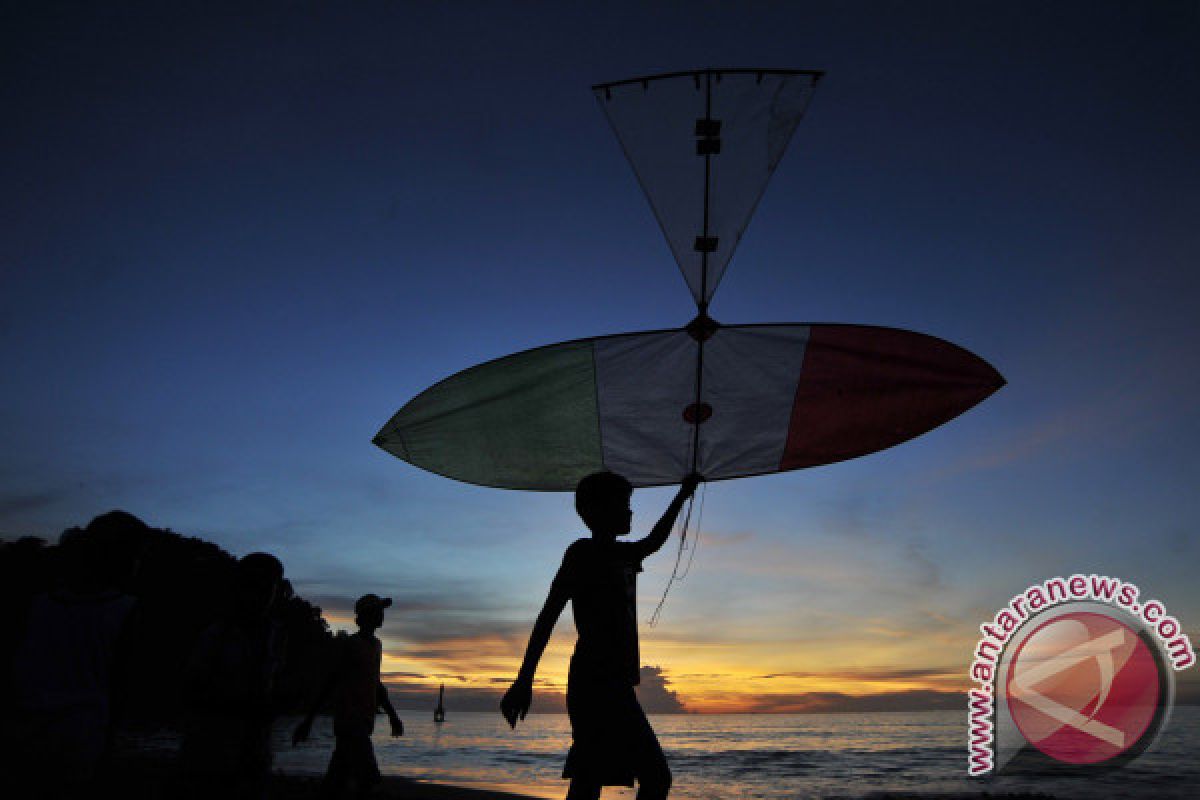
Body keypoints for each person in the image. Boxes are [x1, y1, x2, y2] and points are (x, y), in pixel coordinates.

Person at [501, 471, 701, 800]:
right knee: (646, 777)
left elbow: (654, 541)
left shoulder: (623, 554)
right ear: (597, 510)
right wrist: (524, 680)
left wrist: (682, 495)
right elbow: (547, 616)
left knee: (592, 780)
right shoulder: (581, 554)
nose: (630, 511)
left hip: (615, 683)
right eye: (623, 504)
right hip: (593, 682)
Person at [178, 552, 286, 799]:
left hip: (255, 748)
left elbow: (275, 681)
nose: (257, 595)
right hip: (212, 749)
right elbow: (192, 690)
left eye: (266, 587)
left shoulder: (276, 635)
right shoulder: (215, 634)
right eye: (251, 585)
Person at [293, 593, 403, 799]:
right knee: (369, 777)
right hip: (349, 720)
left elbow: (376, 684)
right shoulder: (351, 645)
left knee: (338, 776)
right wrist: (308, 720)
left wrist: (392, 715)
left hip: (365, 718)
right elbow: (331, 681)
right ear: (364, 616)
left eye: (381, 611)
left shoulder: (376, 645)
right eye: (377, 611)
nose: (381, 616)